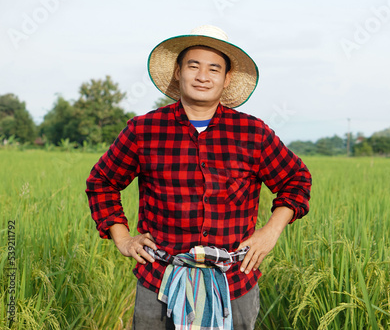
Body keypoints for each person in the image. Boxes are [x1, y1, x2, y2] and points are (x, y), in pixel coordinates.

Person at [85, 25, 312, 330]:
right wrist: (122, 237)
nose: (202, 76)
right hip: (160, 279)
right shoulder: (144, 130)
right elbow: (102, 181)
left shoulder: (252, 132)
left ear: (226, 78)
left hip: (234, 282)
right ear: (178, 72)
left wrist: (270, 231)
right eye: (193, 65)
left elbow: (296, 180)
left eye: (213, 68)